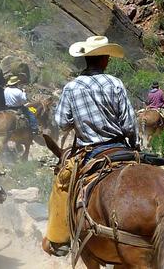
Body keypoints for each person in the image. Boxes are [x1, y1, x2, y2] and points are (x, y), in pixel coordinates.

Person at [42, 36, 138, 257]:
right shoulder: (115, 83)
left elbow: (61, 123)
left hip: (90, 152)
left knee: (62, 185)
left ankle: (58, 240)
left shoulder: (71, 87)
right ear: (105, 60)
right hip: (121, 147)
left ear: (86, 59)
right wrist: (133, 145)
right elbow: (129, 124)